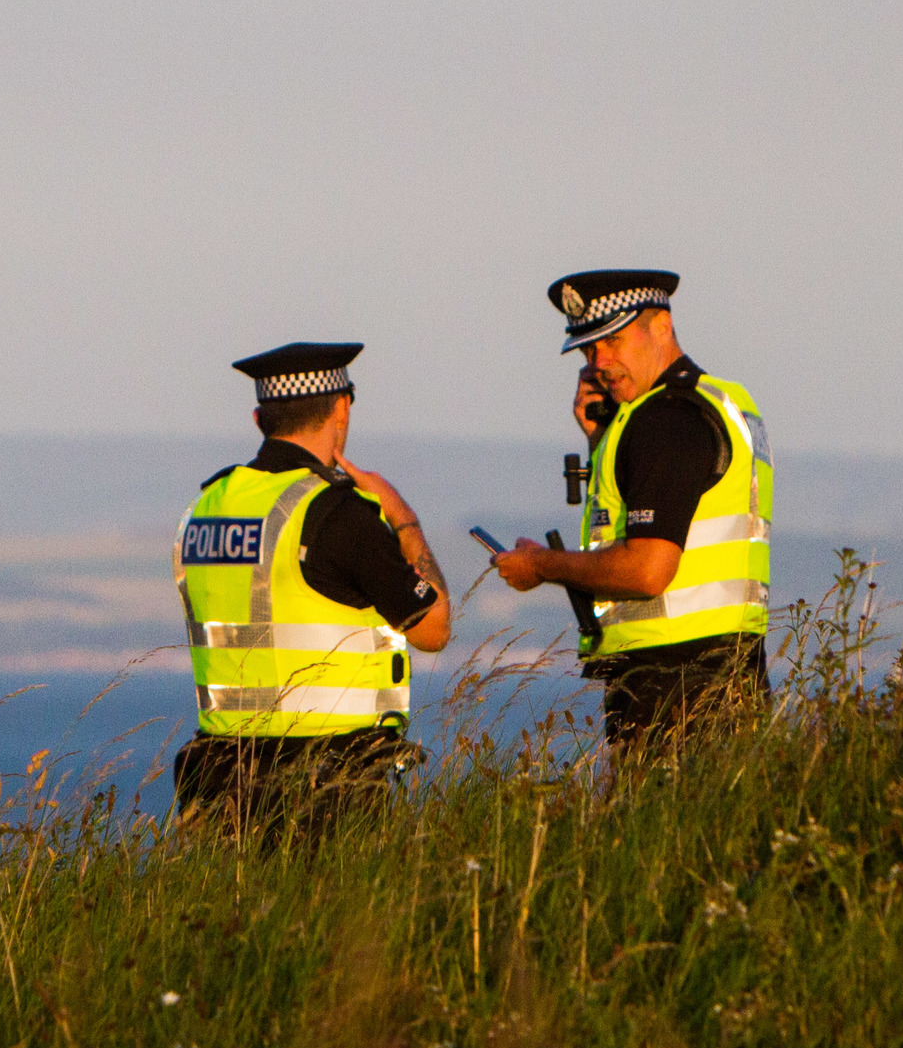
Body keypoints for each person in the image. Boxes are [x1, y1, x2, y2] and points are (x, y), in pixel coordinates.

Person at [172, 341, 454, 835]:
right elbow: (433, 628)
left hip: (218, 781)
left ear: (260, 419)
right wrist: (401, 515)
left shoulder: (207, 506)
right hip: (324, 789)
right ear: (341, 407)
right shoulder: (338, 514)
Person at [494, 269, 773, 751]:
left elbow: (647, 571)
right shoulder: (719, 402)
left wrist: (542, 565)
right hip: (732, 669)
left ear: (661, 327)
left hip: (673, 687)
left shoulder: (663, 421)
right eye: (588, 350)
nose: (600, 362)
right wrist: (602, 440)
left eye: (614, 341)